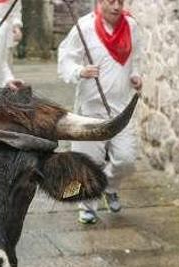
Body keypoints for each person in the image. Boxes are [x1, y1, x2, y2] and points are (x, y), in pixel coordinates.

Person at [57, 0, 143, 224]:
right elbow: (66, 58)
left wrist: (136, 74)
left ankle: (109, 187)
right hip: (90, 110)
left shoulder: (131, 27)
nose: (116, 7)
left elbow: (137, 58)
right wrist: (80, 71)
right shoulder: (84, 27)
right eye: (111, 1)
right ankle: (87, 206)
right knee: (88, 162)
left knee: (126, 160)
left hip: (120, 109)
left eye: (120, 2)